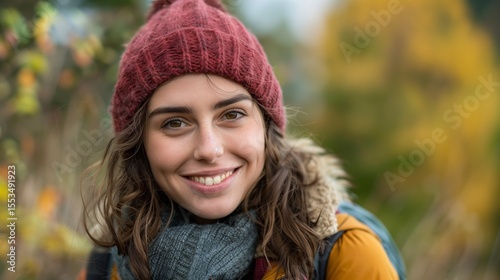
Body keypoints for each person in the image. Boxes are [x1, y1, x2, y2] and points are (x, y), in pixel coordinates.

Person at [80, 0, 404, 279]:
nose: (209, 149)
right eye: (175, 123)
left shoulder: (344, 256)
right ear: (140, 144)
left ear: (266, 125)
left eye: (231, 115)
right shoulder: (110, 260)